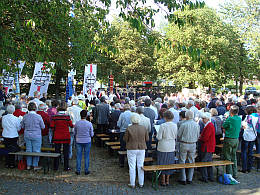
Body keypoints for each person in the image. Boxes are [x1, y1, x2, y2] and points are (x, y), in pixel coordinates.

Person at [123, 113, 149, 188]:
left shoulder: (129, 128)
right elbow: (147, 139)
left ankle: (132, 183)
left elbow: (125, 139)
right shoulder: (143, 128)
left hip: (131, 148)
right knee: (140, 165)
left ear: (132, 120)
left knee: (132, 166)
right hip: (141, 147)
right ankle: (141, 183)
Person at [177, 110, 200, 185]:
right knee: (191, 160)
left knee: (182, 160)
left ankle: (183, 178)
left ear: (186, 116)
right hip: (193, 143)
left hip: (184, 143)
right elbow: (198, 135)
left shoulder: (183, 125)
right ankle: (190, 178)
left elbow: (179, 135)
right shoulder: (196, 125)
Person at [21, 102, 45, 170]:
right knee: (36, 150)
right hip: (36, 135)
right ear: (35, 108)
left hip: (27, 134)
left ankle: (28, 165)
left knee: (28, 149)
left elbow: (22, 126)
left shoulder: (25, 116)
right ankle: (35, 165)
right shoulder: (38, 116)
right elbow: (43, 127)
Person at [50, 101, 74, 171]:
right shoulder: (67, 117)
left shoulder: (55, 117)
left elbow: (52, 126)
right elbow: (71, 125)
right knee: (66, 152)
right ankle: (66, 167)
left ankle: (55, 167)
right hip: (66, 136)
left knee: (56, 152)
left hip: (57, 136)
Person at [156, 111, 177, 186]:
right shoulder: (175, 125)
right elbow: (176, 136)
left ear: (165, 117)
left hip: (163, 146)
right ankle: (167, 179)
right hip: (171, 145)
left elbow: (159, 137)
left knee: (162, 162)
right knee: (169, 162)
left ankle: (163, 179)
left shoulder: (163, 126)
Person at [222, 105, 241, 179]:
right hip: (236, 139)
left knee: (228, 157)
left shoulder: (230, 119)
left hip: (229, 139)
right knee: (234, 156)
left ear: (231, 111)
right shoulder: (239, 119)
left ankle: (229, 174)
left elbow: (224, 126)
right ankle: (235, 173)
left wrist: (227, 119)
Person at [74, 110, 94, 175]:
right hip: (87, 140)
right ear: (86, 116)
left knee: (79, 156)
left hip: (79, 140)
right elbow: (92, 134)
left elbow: (75, 133)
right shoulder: (89, 123)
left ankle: (78, 170)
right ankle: (86, 170)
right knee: (86, 156)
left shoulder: (77, 123)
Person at [240, 106, 258, 173]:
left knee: (244, 152)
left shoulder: (247, 117)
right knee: (250, 152)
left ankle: (244, 168)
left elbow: (243, 125)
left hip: (246, 136)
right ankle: (249, 167)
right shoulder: (257, 117)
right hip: (253, 136)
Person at [198, 112, 216, 182]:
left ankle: (205, 177)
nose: (202, 120)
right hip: (209, 146)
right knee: (208, 162)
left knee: (204, 162)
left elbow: (205, 138)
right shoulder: (209, 125)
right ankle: (210, 176)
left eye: (204, 118)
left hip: (207, 146)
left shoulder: (209, 126)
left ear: (207, 118)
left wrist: (200, 138)